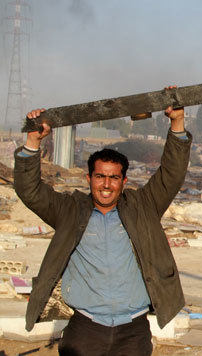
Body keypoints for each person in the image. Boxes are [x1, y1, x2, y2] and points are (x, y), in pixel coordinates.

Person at [13, 104, 192, 356]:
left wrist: (177, 123)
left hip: (133, 331)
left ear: (124, 181)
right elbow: (29, 191)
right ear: (89, 179)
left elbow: (171, 174)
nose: (106, 185)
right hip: (86, 330)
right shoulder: (69, 211)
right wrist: (33, 140)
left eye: (114, 177)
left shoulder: (144, 207)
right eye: (100, 177)